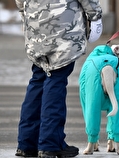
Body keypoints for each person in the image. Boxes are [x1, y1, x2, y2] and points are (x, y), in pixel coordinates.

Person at [14, 0, 102, 157]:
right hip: (62, 23)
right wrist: (95, 16)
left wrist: (24, 13)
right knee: (55, 80)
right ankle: (50, 144)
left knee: (39, 77)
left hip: (35, 21)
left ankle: (27, 143)